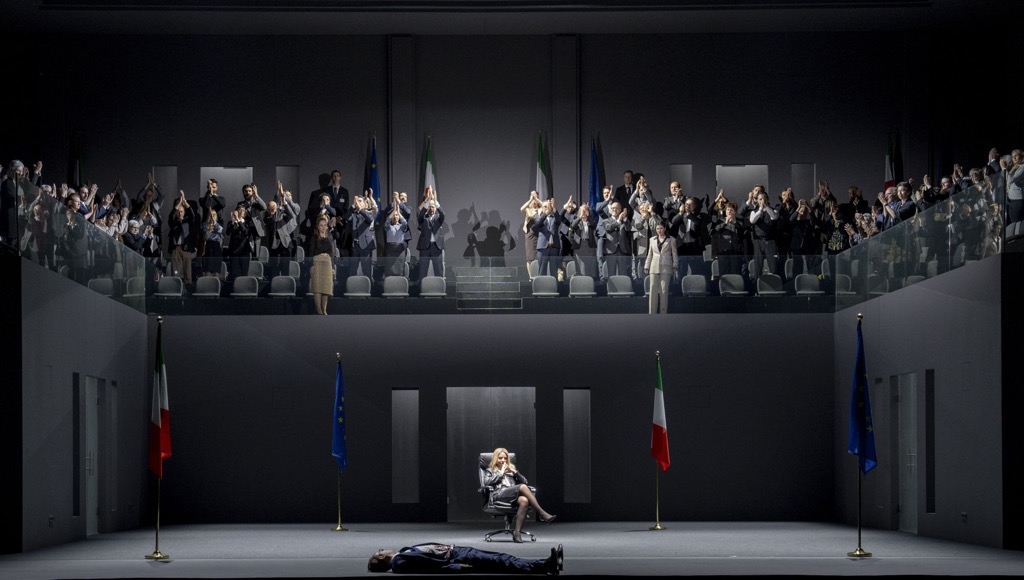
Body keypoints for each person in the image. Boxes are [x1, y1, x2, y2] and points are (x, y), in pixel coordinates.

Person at [483, 448, 556, 543]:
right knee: (523, 487)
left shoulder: (511, 470)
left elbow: (525, 482)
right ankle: (541, 513)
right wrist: (501, 472)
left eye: (505, 458)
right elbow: (487, 483)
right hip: (499, 494)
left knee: (524, 500)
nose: (503, 460)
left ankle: (517, 533)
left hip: (512, 496)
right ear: (495, 458)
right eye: (500, 458)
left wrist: (515, 472)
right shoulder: (490, 470)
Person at [368, 543, 562, 575]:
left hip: (457, 551)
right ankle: (545, 565)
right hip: (456, 557)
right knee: (501, 560)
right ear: (382, 556)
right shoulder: (400, 562)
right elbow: (429, 567)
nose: (383, 549)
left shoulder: (402, 554)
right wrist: (454, 567)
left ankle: (543, 564)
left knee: (500, 560)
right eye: (380, 551)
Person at [307, 215, 337, 315]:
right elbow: (311, 253)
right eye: (321, 225)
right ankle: (319, 310)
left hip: (327, 264)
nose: (323, 227)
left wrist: (333, 267)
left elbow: (332, 253)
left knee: (326, 288)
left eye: (325, 225)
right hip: (317, 263)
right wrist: (311, 265)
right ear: (318, 226)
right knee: (318, 289)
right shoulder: (314, 237)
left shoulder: (330, 236)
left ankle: (324, 310)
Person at [644, 222, 677, 314]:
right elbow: (649, 254)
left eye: (661, 228)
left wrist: (675, 265)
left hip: (666, 266)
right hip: (654, 266)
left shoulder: (671, 239)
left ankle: (663, 314)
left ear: (665, 229)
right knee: (653, 289)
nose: (659, 230)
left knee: (664, 290)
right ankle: (652, 313)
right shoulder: (652, 239)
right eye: (658, 228)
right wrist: (646, 265)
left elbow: (674, 254)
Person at [416, 190, 445, 280]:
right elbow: (420, 214)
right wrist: (427, 200)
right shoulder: (423, 218)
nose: (431, 208)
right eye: (430, 206)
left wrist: (435, 201)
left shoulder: (439, 218)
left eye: (433, 206)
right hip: (425, 247)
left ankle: (439, 288)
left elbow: (443, 214)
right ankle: (421, 288)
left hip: (436, 247)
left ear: (435, 208)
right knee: (422, 271)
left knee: (438, 271)